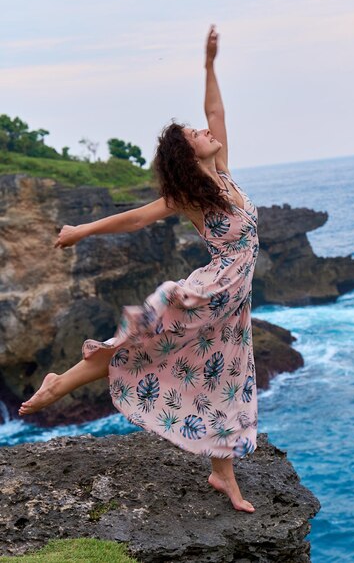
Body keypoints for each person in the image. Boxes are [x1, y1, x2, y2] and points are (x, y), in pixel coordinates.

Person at [19, 25, 259, 513]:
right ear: (187, 156)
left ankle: (224, 479)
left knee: (226, 381)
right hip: (204, 296)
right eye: (195, 134)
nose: (205, 130)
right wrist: (81, 231)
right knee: (137, 344)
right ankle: (59, 384)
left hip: (232, 309)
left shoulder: (226, 175)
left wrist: (209, 64)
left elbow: (217, 111)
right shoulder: (190, 197)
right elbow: (133, 219)